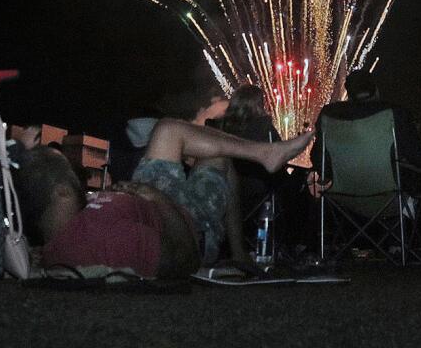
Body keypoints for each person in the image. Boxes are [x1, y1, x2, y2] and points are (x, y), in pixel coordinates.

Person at [21, 119, 312, 279]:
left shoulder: (66, 234)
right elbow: (183, 258)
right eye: (69, 169)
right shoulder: (98, 240)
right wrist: (159, 201)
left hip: (146, 196)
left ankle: (265, 154)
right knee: (219, 157)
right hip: (186, 222)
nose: (77, 171)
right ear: (61, 192)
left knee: (168, 130)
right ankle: (238, 253)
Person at [308, 69, 421, 197]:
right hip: (389, 200)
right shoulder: (394, 114)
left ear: (349, 94)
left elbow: (318, 160)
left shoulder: (329, 115)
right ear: (376, 90)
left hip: (344, 202)